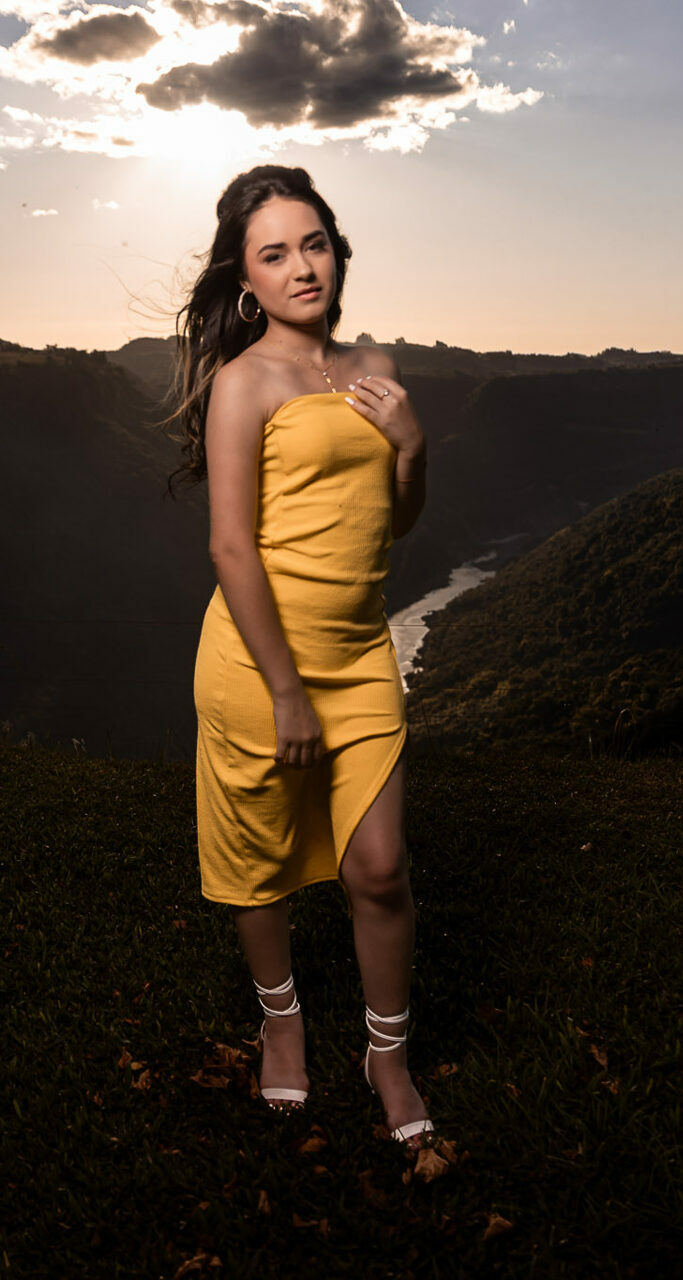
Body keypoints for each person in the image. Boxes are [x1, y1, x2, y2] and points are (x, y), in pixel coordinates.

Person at [168, 165, 436, 1151]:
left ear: (337, 251)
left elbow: (394, 522)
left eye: (313, 243)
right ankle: (282, 1022)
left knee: (380, 868)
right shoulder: (244, 384)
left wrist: (411, 447)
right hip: (259, 664)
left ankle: (385, 1055)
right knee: (262, 867)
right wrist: (285, 690)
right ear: (245, 279)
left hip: (359, 654)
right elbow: (231, 548)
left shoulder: (374, 365)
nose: (301, 266)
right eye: (274, 253)